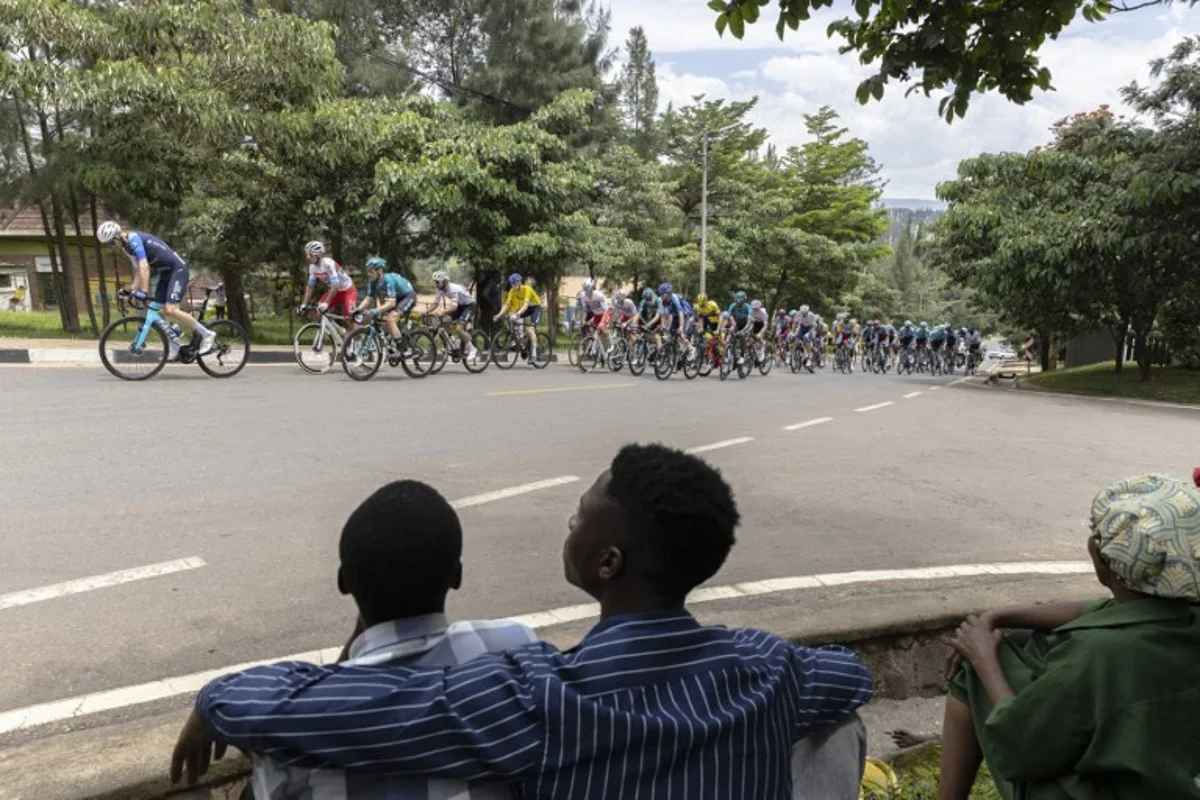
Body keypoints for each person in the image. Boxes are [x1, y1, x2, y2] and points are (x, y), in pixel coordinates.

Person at [176, 444, 874, 799]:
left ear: (607, 562)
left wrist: (218, 697)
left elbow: (349, 711)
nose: (565, 523)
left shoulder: (543, 700)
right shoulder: (771, 669)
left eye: (577, 516)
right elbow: (848, 675)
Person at [172, 479, 537, 798]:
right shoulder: (515, 646)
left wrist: (216, 702)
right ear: (456, 576)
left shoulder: (293, 736)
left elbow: (332, 689)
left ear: (343, 582)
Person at [934, 473, 1200, 800]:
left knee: (972, 673)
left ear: (1106, 564)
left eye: (1097, 535)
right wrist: (996, 616)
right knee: (1014, 647)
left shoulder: (1095, 655)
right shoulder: (1182, 614)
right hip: (1165, 780)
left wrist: (983, 657)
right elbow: (1097, 608)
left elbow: (1021, 747)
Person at [97, 221, 216, 359]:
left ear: (118, 236)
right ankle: (175, 346)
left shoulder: (134, 240)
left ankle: (207, 334)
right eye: (108, 245)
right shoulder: (127, 248)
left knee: (170, 310)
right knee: (158, 309)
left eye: (111, 243)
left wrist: (143, 291)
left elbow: (144, 266)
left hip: (178, 270)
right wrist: (130, 290)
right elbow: (137, 271)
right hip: (166, 273)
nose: (112, 247)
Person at [356, 258, 416, 345]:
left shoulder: (388, 280)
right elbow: (369, 298)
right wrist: (358, 309)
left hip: (407, 296)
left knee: (391, 319)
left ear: (379, 271)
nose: (369, 274)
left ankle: (400, 349)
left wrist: (375, 310)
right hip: (396, 297)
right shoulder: (373, 281)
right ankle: (393, 340)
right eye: (368, 271)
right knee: (382, 318)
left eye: (371, 272)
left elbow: (392, 303)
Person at [299, 241, 358, 325]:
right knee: (318, 312)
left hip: (348, 290)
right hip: (336, 291)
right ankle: (339, 331)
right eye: (307, 255)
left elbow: (335, 285)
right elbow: (310, 287)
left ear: (319, 255)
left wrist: (326, 302)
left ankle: (358, 337)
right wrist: (304, 304)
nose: (308, 257)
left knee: (350, 318)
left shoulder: (328, 263)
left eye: (310, 255)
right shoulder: (312, 268)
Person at [429, 269, 480, 362]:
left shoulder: (453, 289)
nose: (435, 284)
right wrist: (426, 312)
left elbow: (453, 307)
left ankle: (473, 349)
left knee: (459, 328)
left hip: (469, 306)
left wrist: (442, 311)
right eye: (434, 282)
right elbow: (435, 303)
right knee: (444, 321)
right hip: (460, 306)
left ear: (444, 281)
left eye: (437, 282)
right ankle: (453, 343)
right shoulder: (439, 288)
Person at [493, 272, 543, 363]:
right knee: (512, 317)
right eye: (512, 283)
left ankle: (534, 355)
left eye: (515, 283)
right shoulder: (512, 291)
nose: (513, 285)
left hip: (535, 308)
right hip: (526, 308)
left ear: (519, 282)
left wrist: (517, 314)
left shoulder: (527, 289)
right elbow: (506, 305)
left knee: (530, 329)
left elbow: (525, 306)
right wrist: (498, 315)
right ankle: (522, 345)